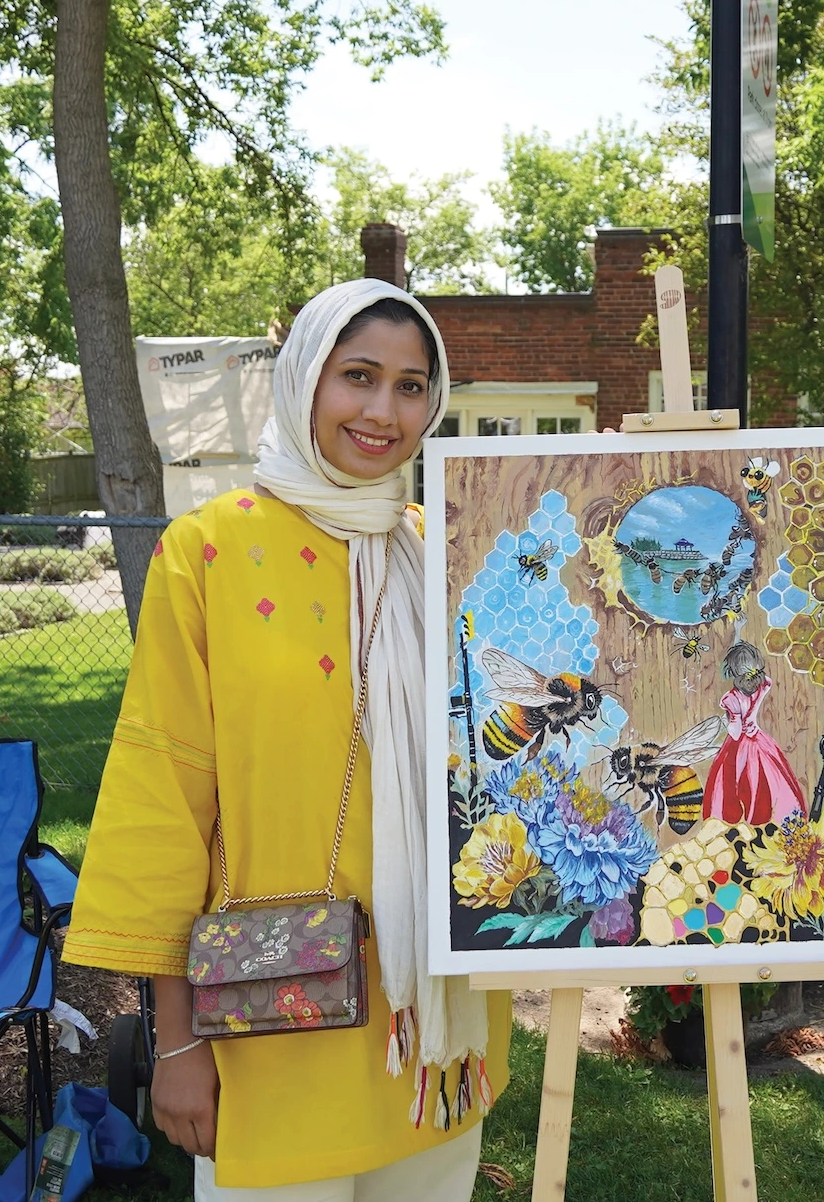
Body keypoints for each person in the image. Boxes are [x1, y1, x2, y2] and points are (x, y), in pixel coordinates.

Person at [65, 279, 510, 1201]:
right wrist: (178, 1041)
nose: (384, 410)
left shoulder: (447, 553)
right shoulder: (209, 551)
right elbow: (165, 799)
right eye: (358, 376)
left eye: (412, 384)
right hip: (269, 1020)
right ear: (305, 378)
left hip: (428, 1027)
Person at [701, 640, 804, 825]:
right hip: (759, 740)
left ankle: (742, 821)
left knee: (735, 783)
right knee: (770, 781)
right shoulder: (762, 686)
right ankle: (777, 818)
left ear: (733, 674)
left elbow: (735, 731)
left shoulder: (732, 698)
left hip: (738, 746)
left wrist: (726, 721)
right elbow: (763, 679)